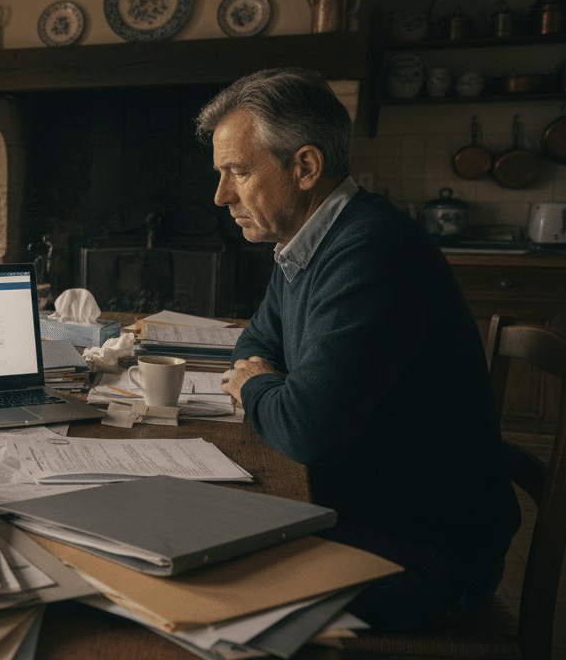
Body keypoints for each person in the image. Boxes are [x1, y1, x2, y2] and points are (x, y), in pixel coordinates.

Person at [199, 68, 519, 631]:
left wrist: (254, 385)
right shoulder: (306, 242)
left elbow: (305, 430)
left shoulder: (371, 250)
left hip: (425, 557)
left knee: (203, 592)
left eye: (239, 171)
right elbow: (255, 341)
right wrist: (271, 383)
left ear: (305, 167)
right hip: (363, 512)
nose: (221, 195)